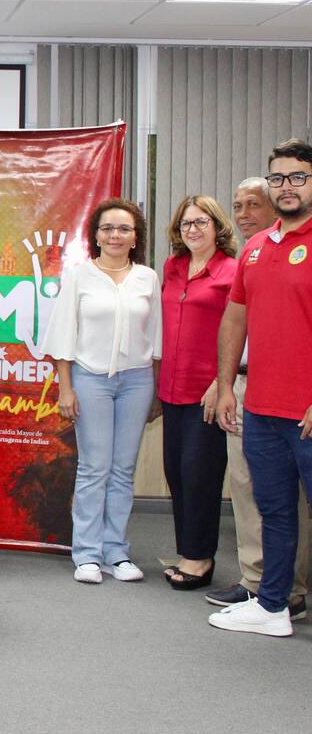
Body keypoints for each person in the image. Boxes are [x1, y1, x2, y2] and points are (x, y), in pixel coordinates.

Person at [211, 139, 312, 637]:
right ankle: (272, 606)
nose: (286, 186)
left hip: (309, 409)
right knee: (273, 512)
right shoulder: (256, 246)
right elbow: (235, 318)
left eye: (297, 177)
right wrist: (226, 386)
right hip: (264, 408)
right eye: (278, 178)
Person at [42, 198, 161, 585]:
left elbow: (155, 337)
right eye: (107, 228)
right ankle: (88, 554)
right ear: (95, 235)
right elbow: (63, 334)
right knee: (94, 468)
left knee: (123, 470)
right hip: (90, 379)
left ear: (135, 236)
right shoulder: (80, 275)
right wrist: (66, 387)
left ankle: (117, 552)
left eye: (123, 228)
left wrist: (155, 389)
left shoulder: (147, 277)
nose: (115, 235)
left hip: (137, 381)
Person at [157, 196, 236, 590]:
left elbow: (243, 331)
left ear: (217, 226)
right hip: (171, 390)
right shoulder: (173, 268)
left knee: (200, 475)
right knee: (177, 474)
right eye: (186, 223)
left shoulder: (232, 271)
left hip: (207, 391)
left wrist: (221, 383)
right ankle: (188, 550)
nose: (192, 229)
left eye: (200, 222)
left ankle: (200, 559)